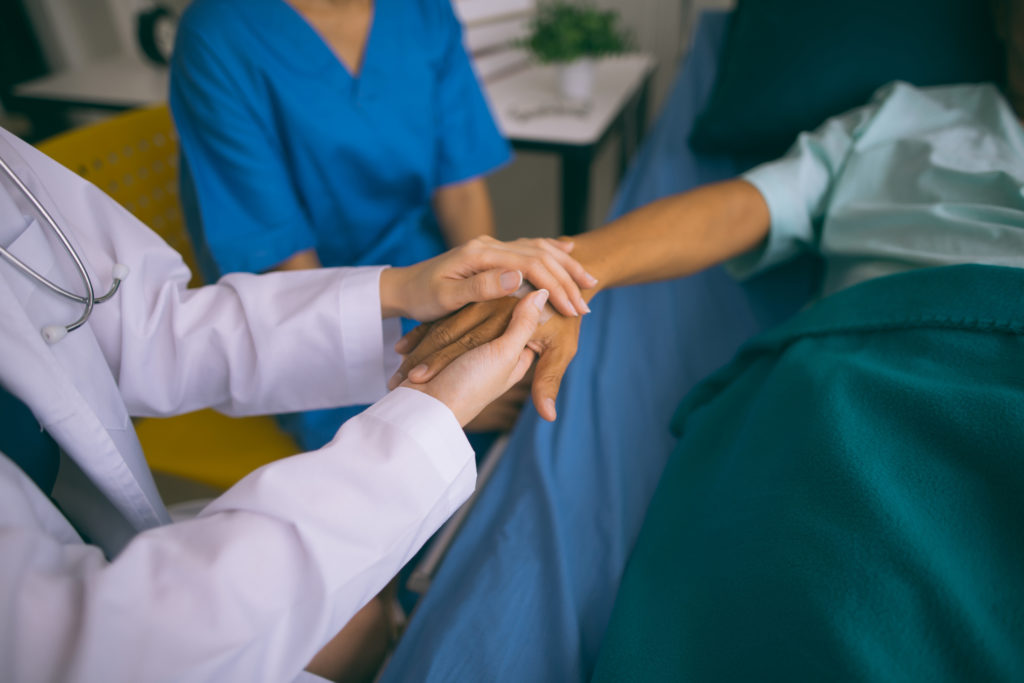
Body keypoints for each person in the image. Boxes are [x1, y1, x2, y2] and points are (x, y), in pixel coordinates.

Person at [381, 2, 1024, 679]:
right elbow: (739, 206)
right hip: (867, 387)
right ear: (1006, 23)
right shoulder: (900, 121)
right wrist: (568, 277)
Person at [0, 122, 595, 683]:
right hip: (125, 638)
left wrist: (399, 288)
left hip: (125, 545)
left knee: (368, 622)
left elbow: (148, 328)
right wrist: (429, 411)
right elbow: (94, 644)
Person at [168, 0, 552, 451]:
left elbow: (461, 190)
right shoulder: (219, 33)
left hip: (430, 275)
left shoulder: (422, 12)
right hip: (308, 318)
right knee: (434, 456)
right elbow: (281, 259)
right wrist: (441, 395)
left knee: (543, 394)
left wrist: (482, 314)